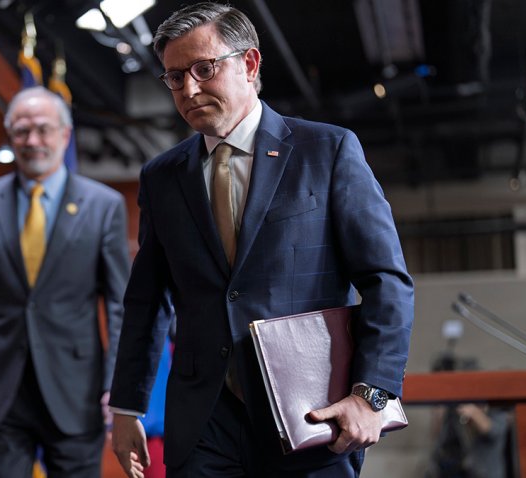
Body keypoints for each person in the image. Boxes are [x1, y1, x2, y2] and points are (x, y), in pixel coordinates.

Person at [109, 3, 415, 477]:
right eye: (174, 77)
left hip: (311, 416)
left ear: (249, 64)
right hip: (204, 423)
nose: (188, 89)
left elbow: (386, 281)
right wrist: (127, 406)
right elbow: (147, 303)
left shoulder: (327, 151)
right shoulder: (161, 177)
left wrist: (371, 393)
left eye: (203, 69)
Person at [0, 86, 130, 477]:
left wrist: (118, 384)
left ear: (64, 134)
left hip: (76, 392)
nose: (33, 141)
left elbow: (119, 305)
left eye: (43, 129)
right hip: (0, 389)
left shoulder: (104, 205)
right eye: (22, 131)